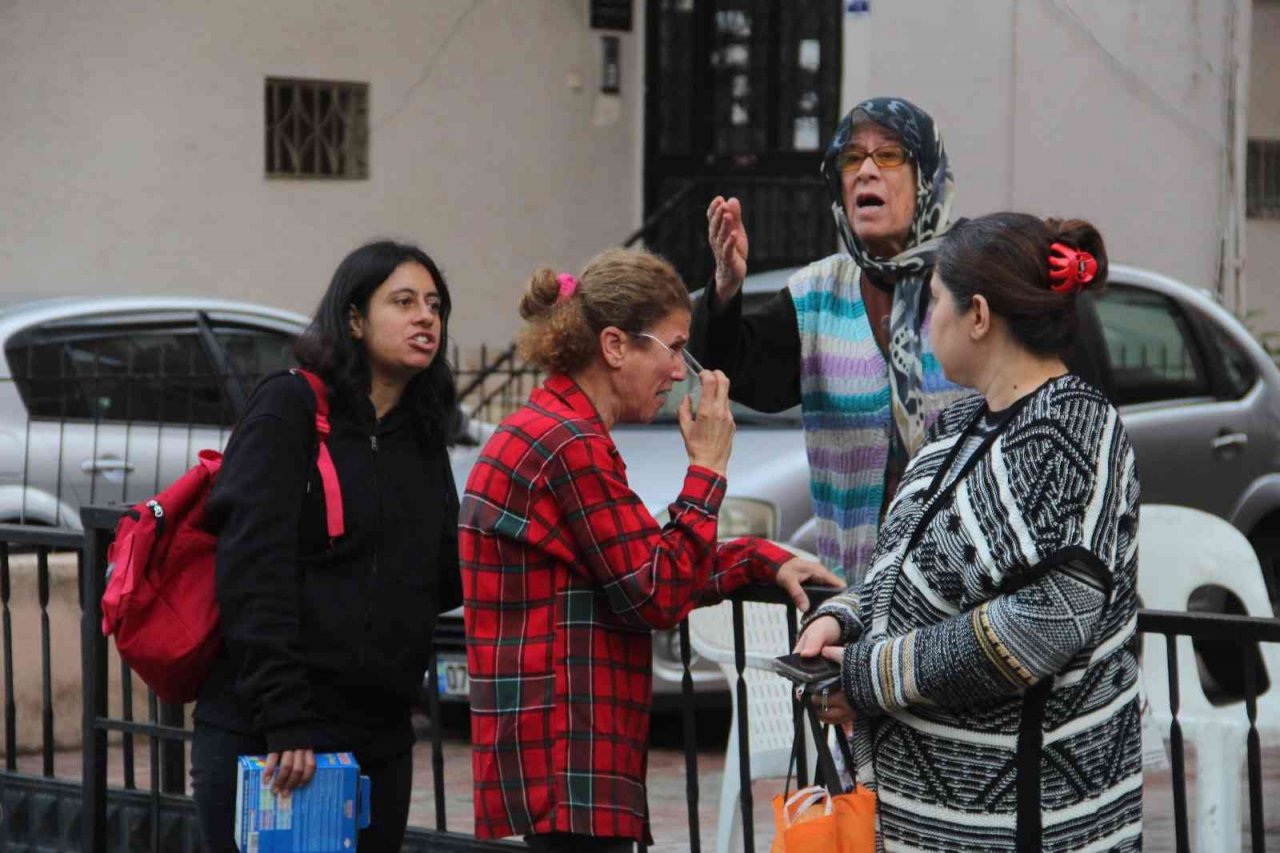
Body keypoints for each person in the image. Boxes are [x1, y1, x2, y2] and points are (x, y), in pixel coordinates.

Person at [460, 248, 843, 852]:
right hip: (569, 761)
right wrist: (709, 468)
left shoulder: (559, 431)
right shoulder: (566, 444)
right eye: (673, 347)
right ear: (615, 346)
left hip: (569, 760)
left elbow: (638, 564)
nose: (681, 371)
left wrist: (756, 558)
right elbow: (654, 591)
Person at [795, 214, 1142, 852]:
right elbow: (903, 567)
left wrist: (867, 676)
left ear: (978, 314)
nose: (927, 327)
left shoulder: (1075, 430)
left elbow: (1043, 625)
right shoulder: (958, 426)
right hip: (917, 823)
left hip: (1027, 825)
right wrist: (844, 619)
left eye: (933, 304)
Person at [190, 241, 463, 852]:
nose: (426, 318)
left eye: (435, 305)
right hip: (274, 736)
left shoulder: (422, 434)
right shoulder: (289, 406)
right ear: (355, 319)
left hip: (378, 738)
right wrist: (285, 717)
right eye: (404, 302)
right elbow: (251, 572)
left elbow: (440, 576)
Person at [691, 96, 970, 584]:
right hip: (853, 600)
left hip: (966, 606)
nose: (865, 171)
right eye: (850, 158)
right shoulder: (818, 294)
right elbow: (736, 370)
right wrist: (726, 287)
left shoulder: (976, 282)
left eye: (888, 155)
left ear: (925, 172)